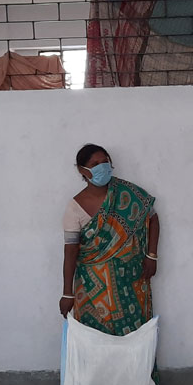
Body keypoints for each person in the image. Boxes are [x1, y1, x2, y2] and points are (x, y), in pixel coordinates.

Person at [60, 144, 160, 335]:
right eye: (95, 164)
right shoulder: (74, 208)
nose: (102, 167)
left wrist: (152, 255)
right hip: (91, 287)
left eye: (105, 161)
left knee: (133, 337)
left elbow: (153, 218)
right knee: (95, 337)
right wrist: (67, 293)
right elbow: (70, 251)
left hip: (130, 281)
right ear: (82, 170)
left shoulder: (127, 193)